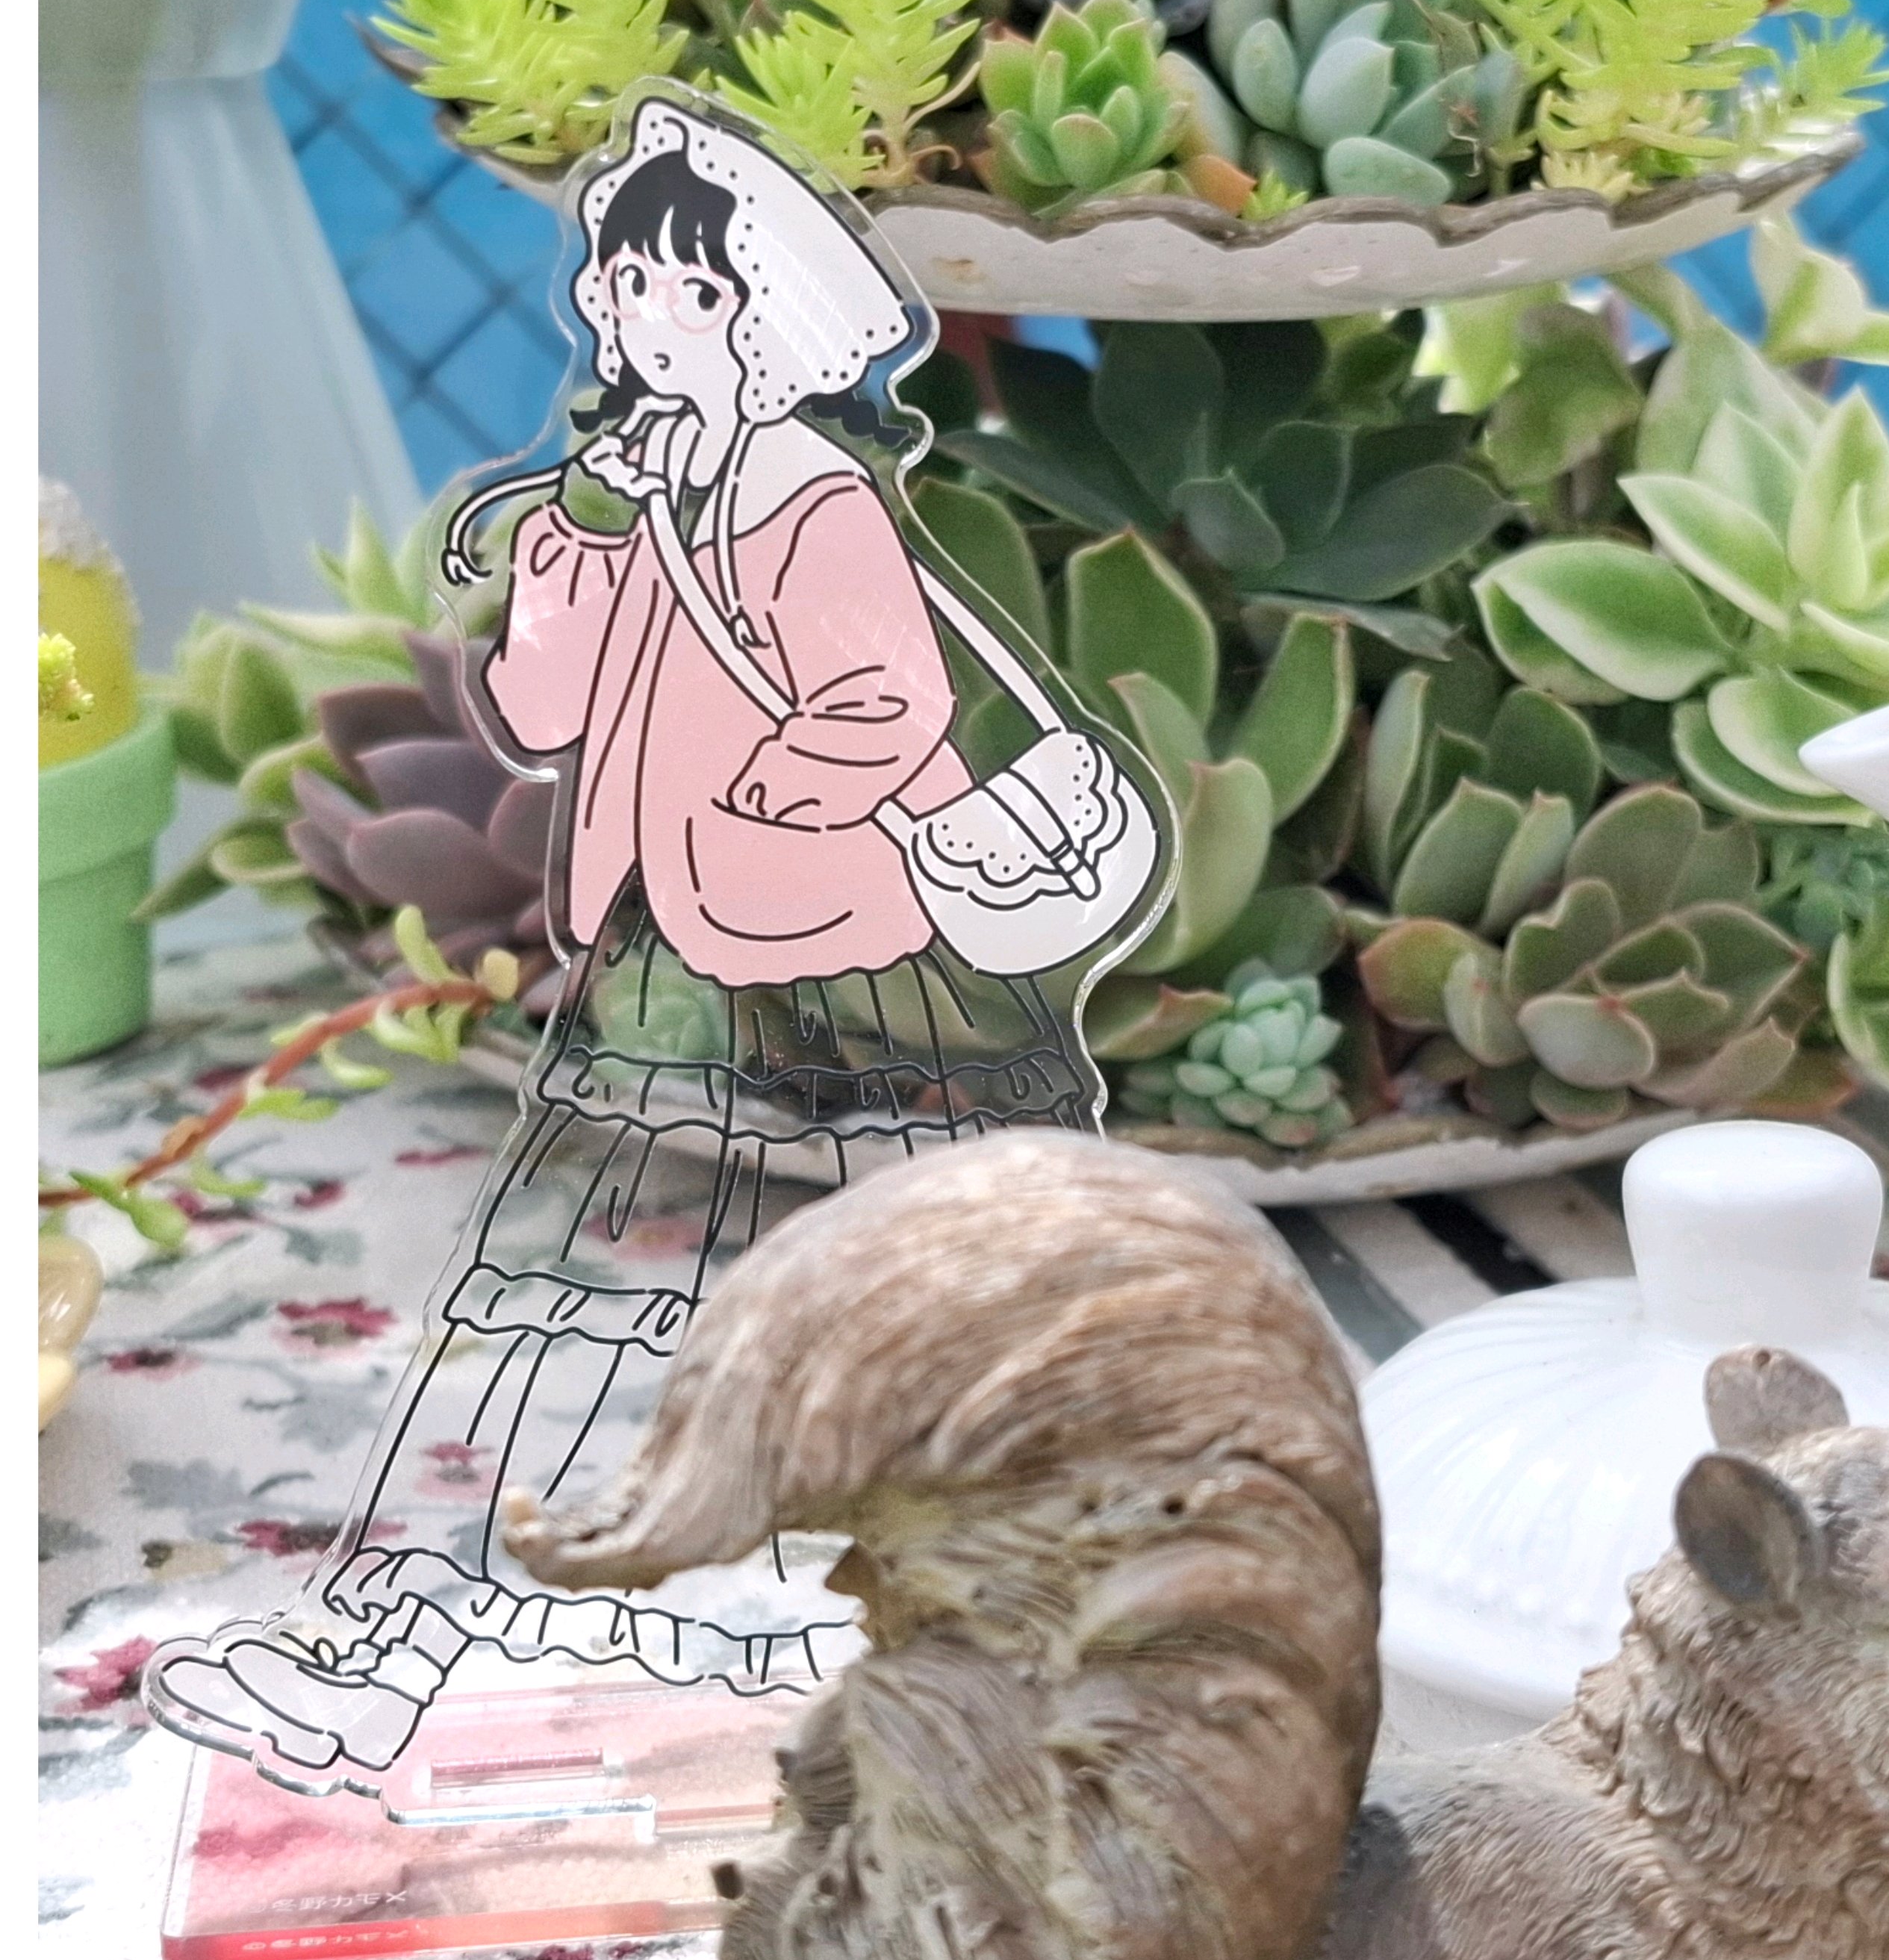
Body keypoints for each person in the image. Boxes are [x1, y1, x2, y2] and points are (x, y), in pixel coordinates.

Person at [147, 100, 1157, 1803]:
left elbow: (887, 702)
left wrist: (766, 791)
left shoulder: (813, 498)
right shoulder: (636, 493)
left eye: (683, 286)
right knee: (562, 1284)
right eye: (621, 280)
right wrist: (574, 544)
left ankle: (962, 1631)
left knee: (869, 1290)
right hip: (671, 929)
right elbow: (541, 710)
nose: (634, 309)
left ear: (758, 317)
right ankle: (397, 1645)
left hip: (841, 935)